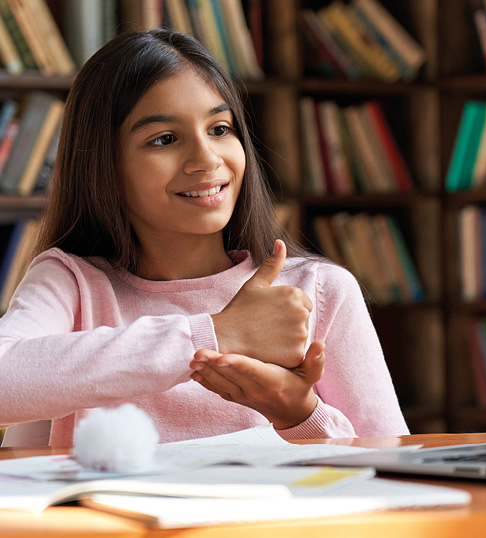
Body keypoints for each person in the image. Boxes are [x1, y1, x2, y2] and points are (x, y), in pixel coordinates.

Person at [0, 29, 408, 447]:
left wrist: (298, 414)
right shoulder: (73, 283)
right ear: (104, 167)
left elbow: (395, 472)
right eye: (164, 139)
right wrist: (217, 333)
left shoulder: (318, 291)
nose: (207, 159)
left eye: (219, 128)